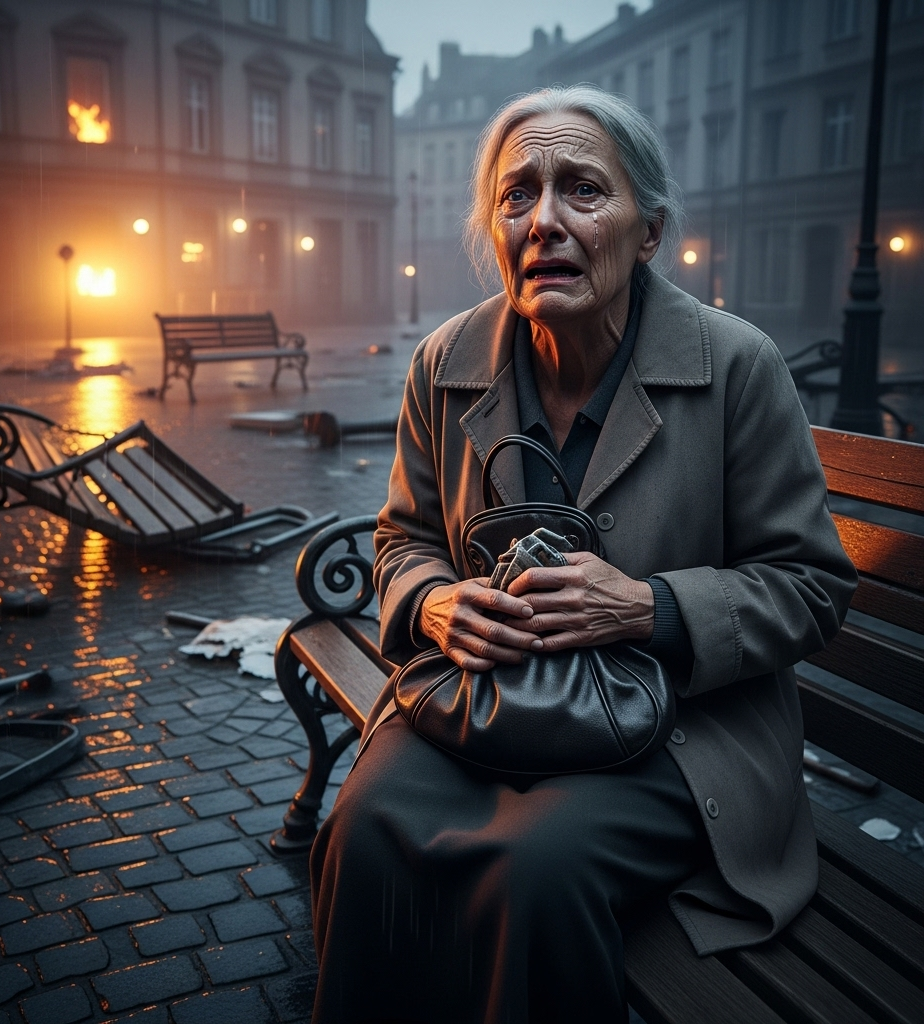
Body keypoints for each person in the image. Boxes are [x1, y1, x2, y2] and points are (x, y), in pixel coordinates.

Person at [309, 86, 857, 1024]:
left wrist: (648, 609)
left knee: (535, 869)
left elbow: (811, 589)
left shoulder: (736, 365)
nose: (545, 220)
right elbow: (403, 538)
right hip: (481, 701)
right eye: (517, 195)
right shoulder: (445, 361)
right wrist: (435, 602)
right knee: (360, 830)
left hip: (679, 727)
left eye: (583, 191)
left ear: (649, 230)